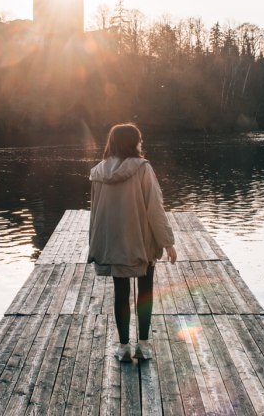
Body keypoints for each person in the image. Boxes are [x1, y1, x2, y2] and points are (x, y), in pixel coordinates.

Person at [88, 122, 177, 363]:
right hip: (141, 242)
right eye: (139, 139)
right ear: (133, 142)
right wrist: (168, 242)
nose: (141, 143)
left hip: (114, 244)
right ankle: (144, 345)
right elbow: (155, 208)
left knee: (120, 293)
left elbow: (95, 214)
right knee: (145, 292)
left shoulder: (98, 172)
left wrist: (95, 246)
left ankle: (123, 347)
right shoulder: (143, 168)